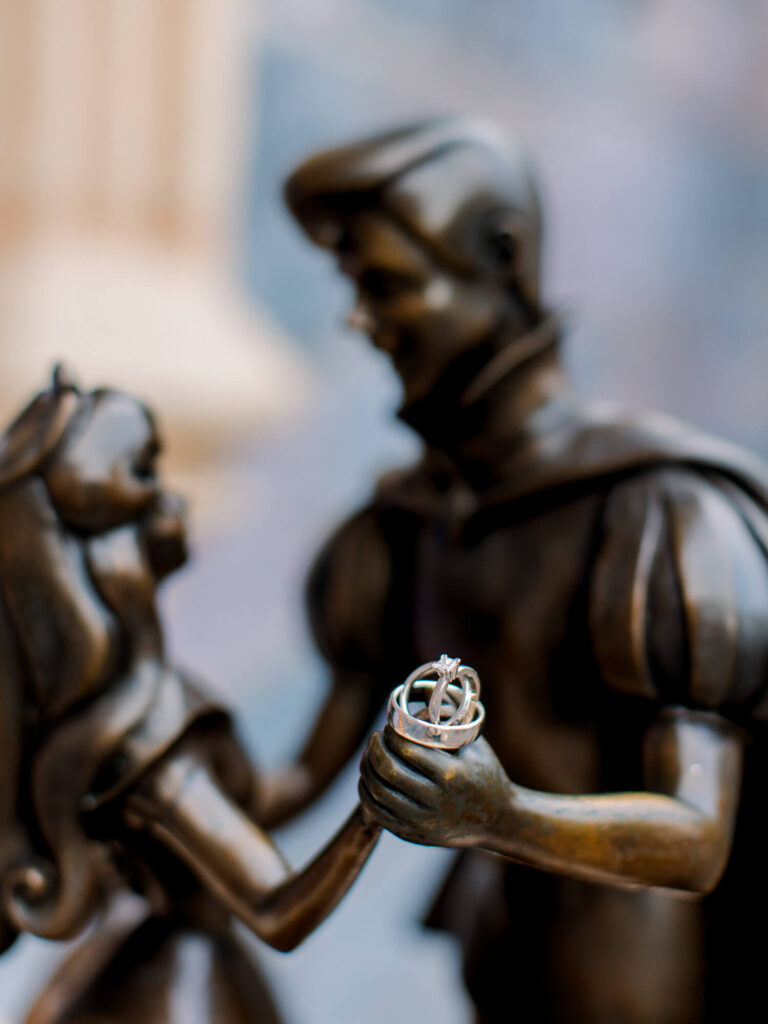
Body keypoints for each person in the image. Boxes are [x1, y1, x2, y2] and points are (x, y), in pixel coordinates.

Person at [262, 117, 768, 1023]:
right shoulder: (400, 533)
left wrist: (499, 816)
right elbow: (293, 785)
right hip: (499, 971)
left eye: (386, 283)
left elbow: (696, 839)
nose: (357, 320)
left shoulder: (658, 514)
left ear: (500, 257)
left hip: (643, 992)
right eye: (351, 286)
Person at [0, 368, 380, 1023]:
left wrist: (359, 681)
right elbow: (277, 909)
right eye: (146, 473)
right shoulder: (152, 746)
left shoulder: (115, 722)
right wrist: (387, 808)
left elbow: (265, 800)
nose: (175, 502)